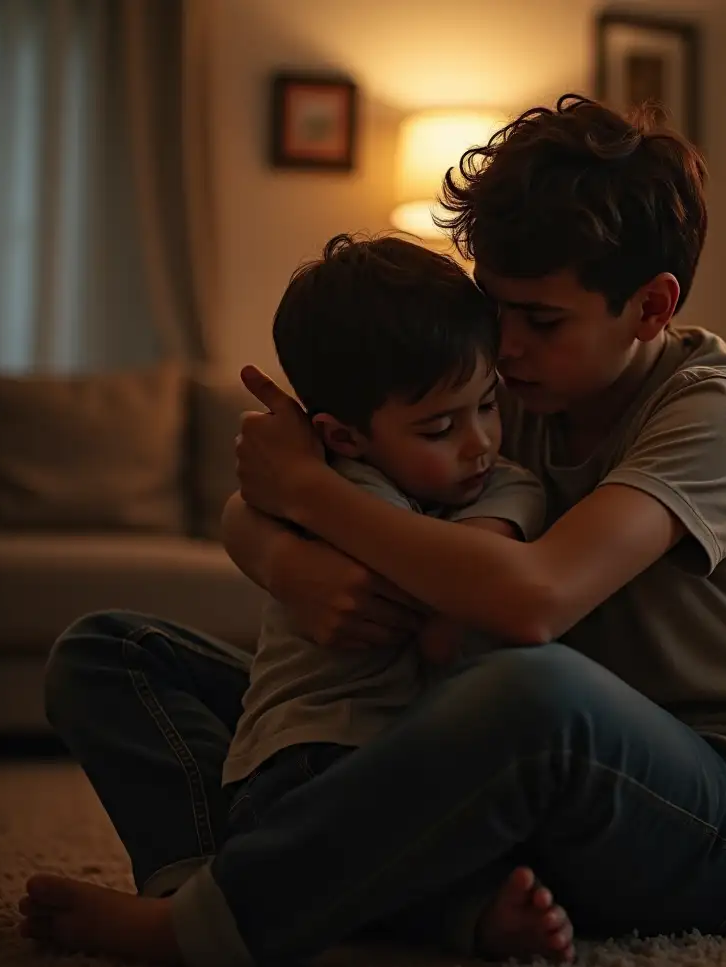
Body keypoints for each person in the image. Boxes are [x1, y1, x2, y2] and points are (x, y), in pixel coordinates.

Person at [19, 94, 726, 967]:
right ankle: (219, 886)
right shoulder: (509, 387)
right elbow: (261, 495)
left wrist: (311, 495)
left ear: (652, 307)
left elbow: (531, 599)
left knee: (527, 691)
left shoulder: (722, 415)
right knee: (108, 652)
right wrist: (284, 557)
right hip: (548, 765)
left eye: (541, 320)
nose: (504, 348)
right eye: (495, 308)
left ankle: (212, 928)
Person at [224, 231, 547, 846]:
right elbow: (444, 622)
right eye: (439, 429)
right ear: (345, 438)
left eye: (487, 406)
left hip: (424, 756)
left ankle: (458, 912)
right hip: (309, 753)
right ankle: (203, 893)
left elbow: (461, 595)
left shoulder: (510, 487)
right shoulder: (342, 484)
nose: (480, 441)